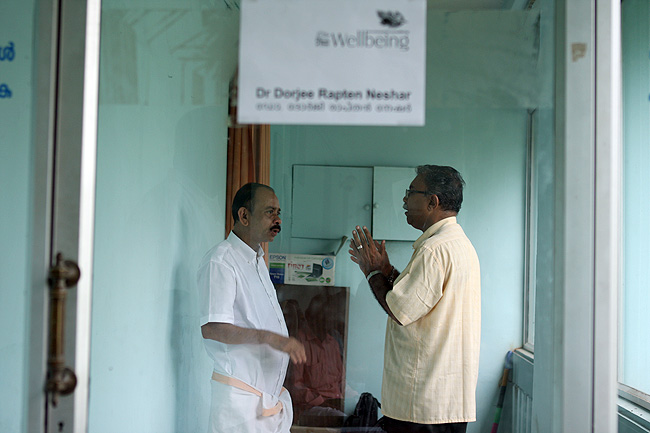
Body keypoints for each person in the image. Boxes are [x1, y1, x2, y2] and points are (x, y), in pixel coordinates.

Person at [349, 165, 481, 433]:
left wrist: (371, 271)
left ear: (433, 202)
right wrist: (387, 270)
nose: (404, 200)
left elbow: (400, 310)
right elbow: (418, 300)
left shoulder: (434, 250)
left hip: (424, 407)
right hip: (445, 403)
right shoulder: (457, 244)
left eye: (411, 192)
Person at [197, 183, 307, 433]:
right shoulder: (221, 261)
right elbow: (213, 328)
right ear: (244, 216)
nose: (277, 219)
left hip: (264, 403)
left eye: (278, 212)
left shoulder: (257, 260)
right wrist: (270, 339)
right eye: (270, 212)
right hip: (240, 406)